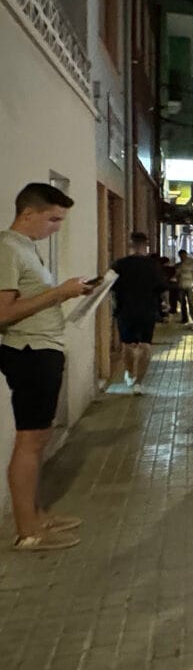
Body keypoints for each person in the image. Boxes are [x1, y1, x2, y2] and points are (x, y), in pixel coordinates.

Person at [0, 183, 96, 551]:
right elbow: (4, 312)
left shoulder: (27, 249)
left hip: (42, 349)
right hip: (28, 351)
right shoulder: (8, 248)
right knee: (30, 439)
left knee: (39, 439)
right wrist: (59, 293)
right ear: (29, 213)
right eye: (53, 219)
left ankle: (37, 515)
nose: (56, 227)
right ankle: (28, 531)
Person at [110, 232, 166, 395]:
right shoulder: (153, 265)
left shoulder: (119, 264)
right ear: (145, 245)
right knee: (146, 346)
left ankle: (129, 373)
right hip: (147, 309)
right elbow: (161, 287)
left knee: (127, 345)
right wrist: (164, 306)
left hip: (125, 310)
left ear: (130, 245)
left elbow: (111, 286)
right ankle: (138, 383)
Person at [176, 250, 193, 328]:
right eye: (181, 256)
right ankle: (185, 318)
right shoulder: (178, 265)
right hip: (181, 286)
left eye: (183, 255)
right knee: (183, 303)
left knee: (190, 302)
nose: (182, 257)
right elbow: (177, 276)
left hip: (189, 286)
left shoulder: (191, 264)